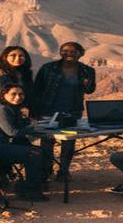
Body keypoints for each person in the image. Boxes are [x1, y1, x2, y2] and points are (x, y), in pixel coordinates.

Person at [0, 83, 48, 201]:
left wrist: (29, 122)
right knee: (35, 153)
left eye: (21, 94)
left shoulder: (11, 108)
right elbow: (12, 132)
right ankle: (31, 191)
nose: (18, 97)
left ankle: (31, 185)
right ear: (4, 95)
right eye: (13, 94)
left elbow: (19, 128)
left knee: (38, 150)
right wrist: (34, 128)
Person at [32, 41, 97, 178]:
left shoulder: (87, 71)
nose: (68, 54)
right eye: (65, 51)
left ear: (81, 54)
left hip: (72, 112)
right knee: (47, 142)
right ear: (60, 52)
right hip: (48, 110)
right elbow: (37, 90)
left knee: (69, 142)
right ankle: (46, 171)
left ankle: (64, 171)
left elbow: (90, 90)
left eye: (73, 52)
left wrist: (87, 83)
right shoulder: (48, 68)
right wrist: (35, 110)